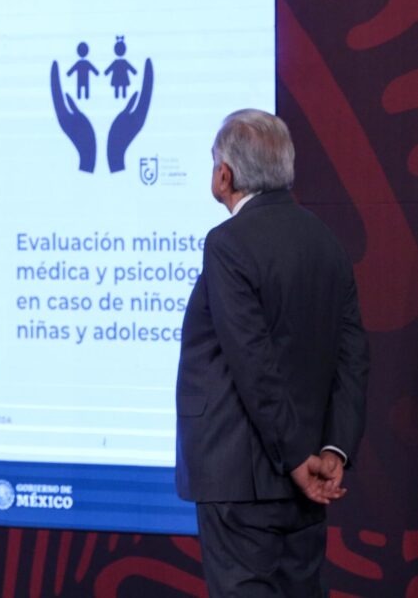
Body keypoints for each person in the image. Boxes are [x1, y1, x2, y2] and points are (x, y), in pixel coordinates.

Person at [176, 109, 369, 597]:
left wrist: (295, 458)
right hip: (305, 479)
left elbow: (252, 362)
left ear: (226, 174)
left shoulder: (227, 243)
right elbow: (353, 357)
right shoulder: (326, 241)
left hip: (243, 478)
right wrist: (333, 450)